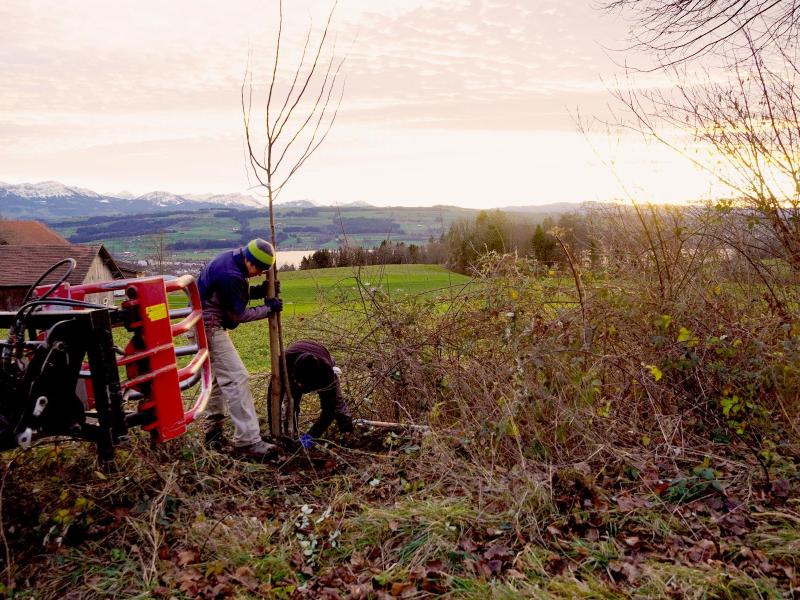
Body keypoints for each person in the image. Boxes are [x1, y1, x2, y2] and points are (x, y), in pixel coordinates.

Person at [197, 238, 283, 459]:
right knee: (237, 377)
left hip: (202, 325)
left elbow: (229, 296)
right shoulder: (230, 274)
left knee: (218, 379)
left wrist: (258, 292)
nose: (258, 274)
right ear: (250, 260)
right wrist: (268, 308)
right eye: (259, 269)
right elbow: (238, 315)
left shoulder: (231, 261)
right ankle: (248, 441)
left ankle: (214, 432)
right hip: (209, 328)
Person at [280, 340, 354, 447]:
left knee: (338, 406)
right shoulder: (283, 364)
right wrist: (274, 430)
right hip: (293, 362)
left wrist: (309, 438)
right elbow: (273, 398)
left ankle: (348, 435)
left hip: (322, 361)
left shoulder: (327, 375)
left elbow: (329, 411)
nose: (300, 387)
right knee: (290, 406)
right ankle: (291, 436)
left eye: (303, 385)